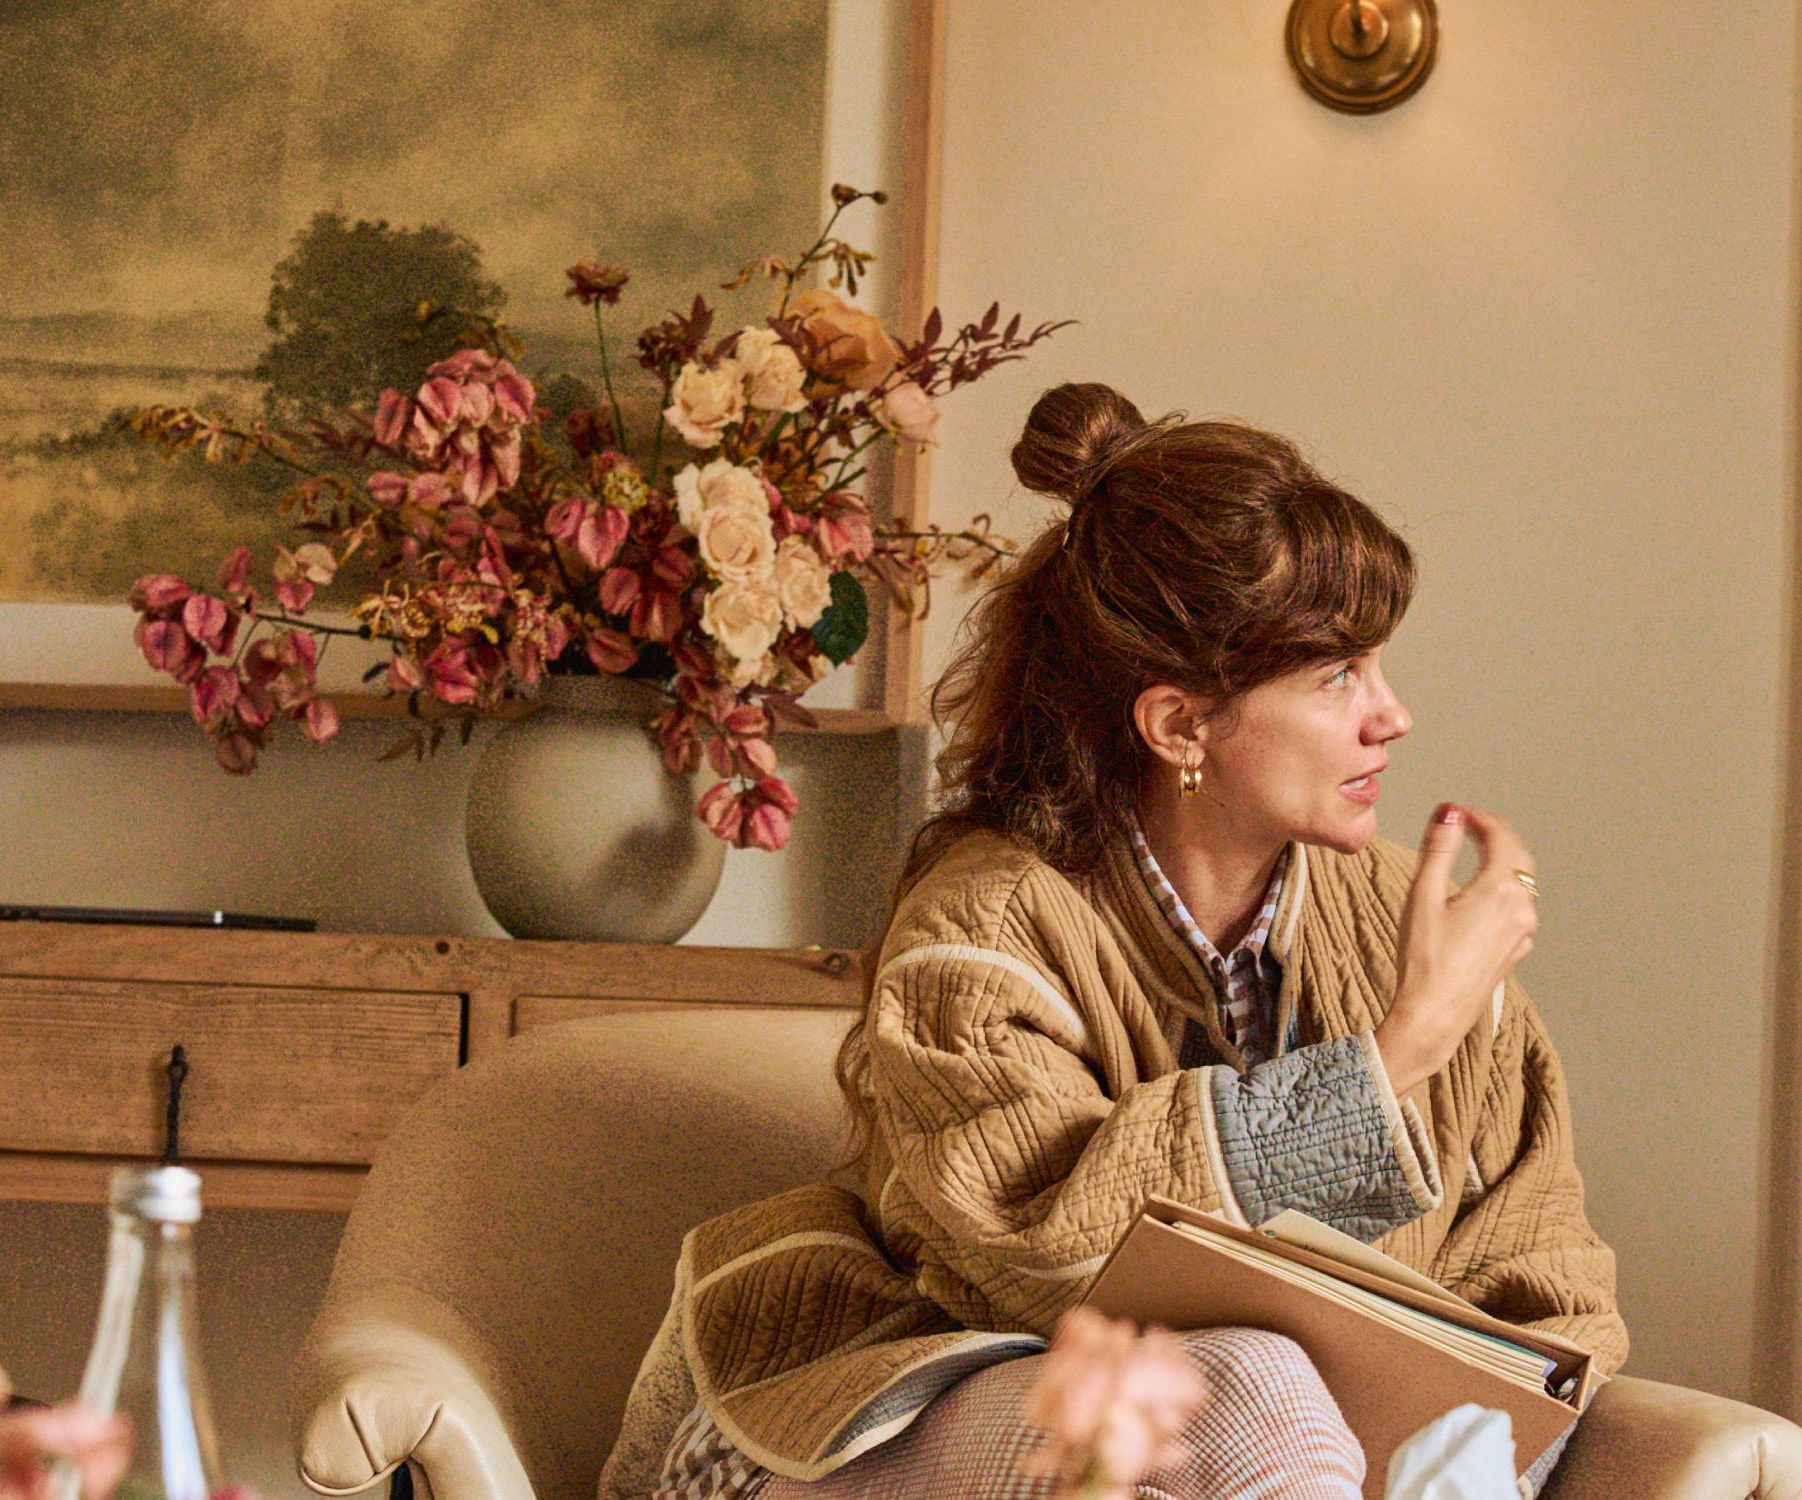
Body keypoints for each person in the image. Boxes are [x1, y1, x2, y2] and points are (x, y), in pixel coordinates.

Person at [636, 382, 1628, 1500]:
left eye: (1378, 664)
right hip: (888, 1434)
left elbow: (1542, 1290)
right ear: (1178, 725)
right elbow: (1049, 1262)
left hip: (1250, 1470)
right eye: (1337, 674)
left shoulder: (1416, 919)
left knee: (1310, 1417)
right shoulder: (978, 930)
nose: (1390, 715)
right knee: (1250, 1385)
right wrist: (1400, 1053)